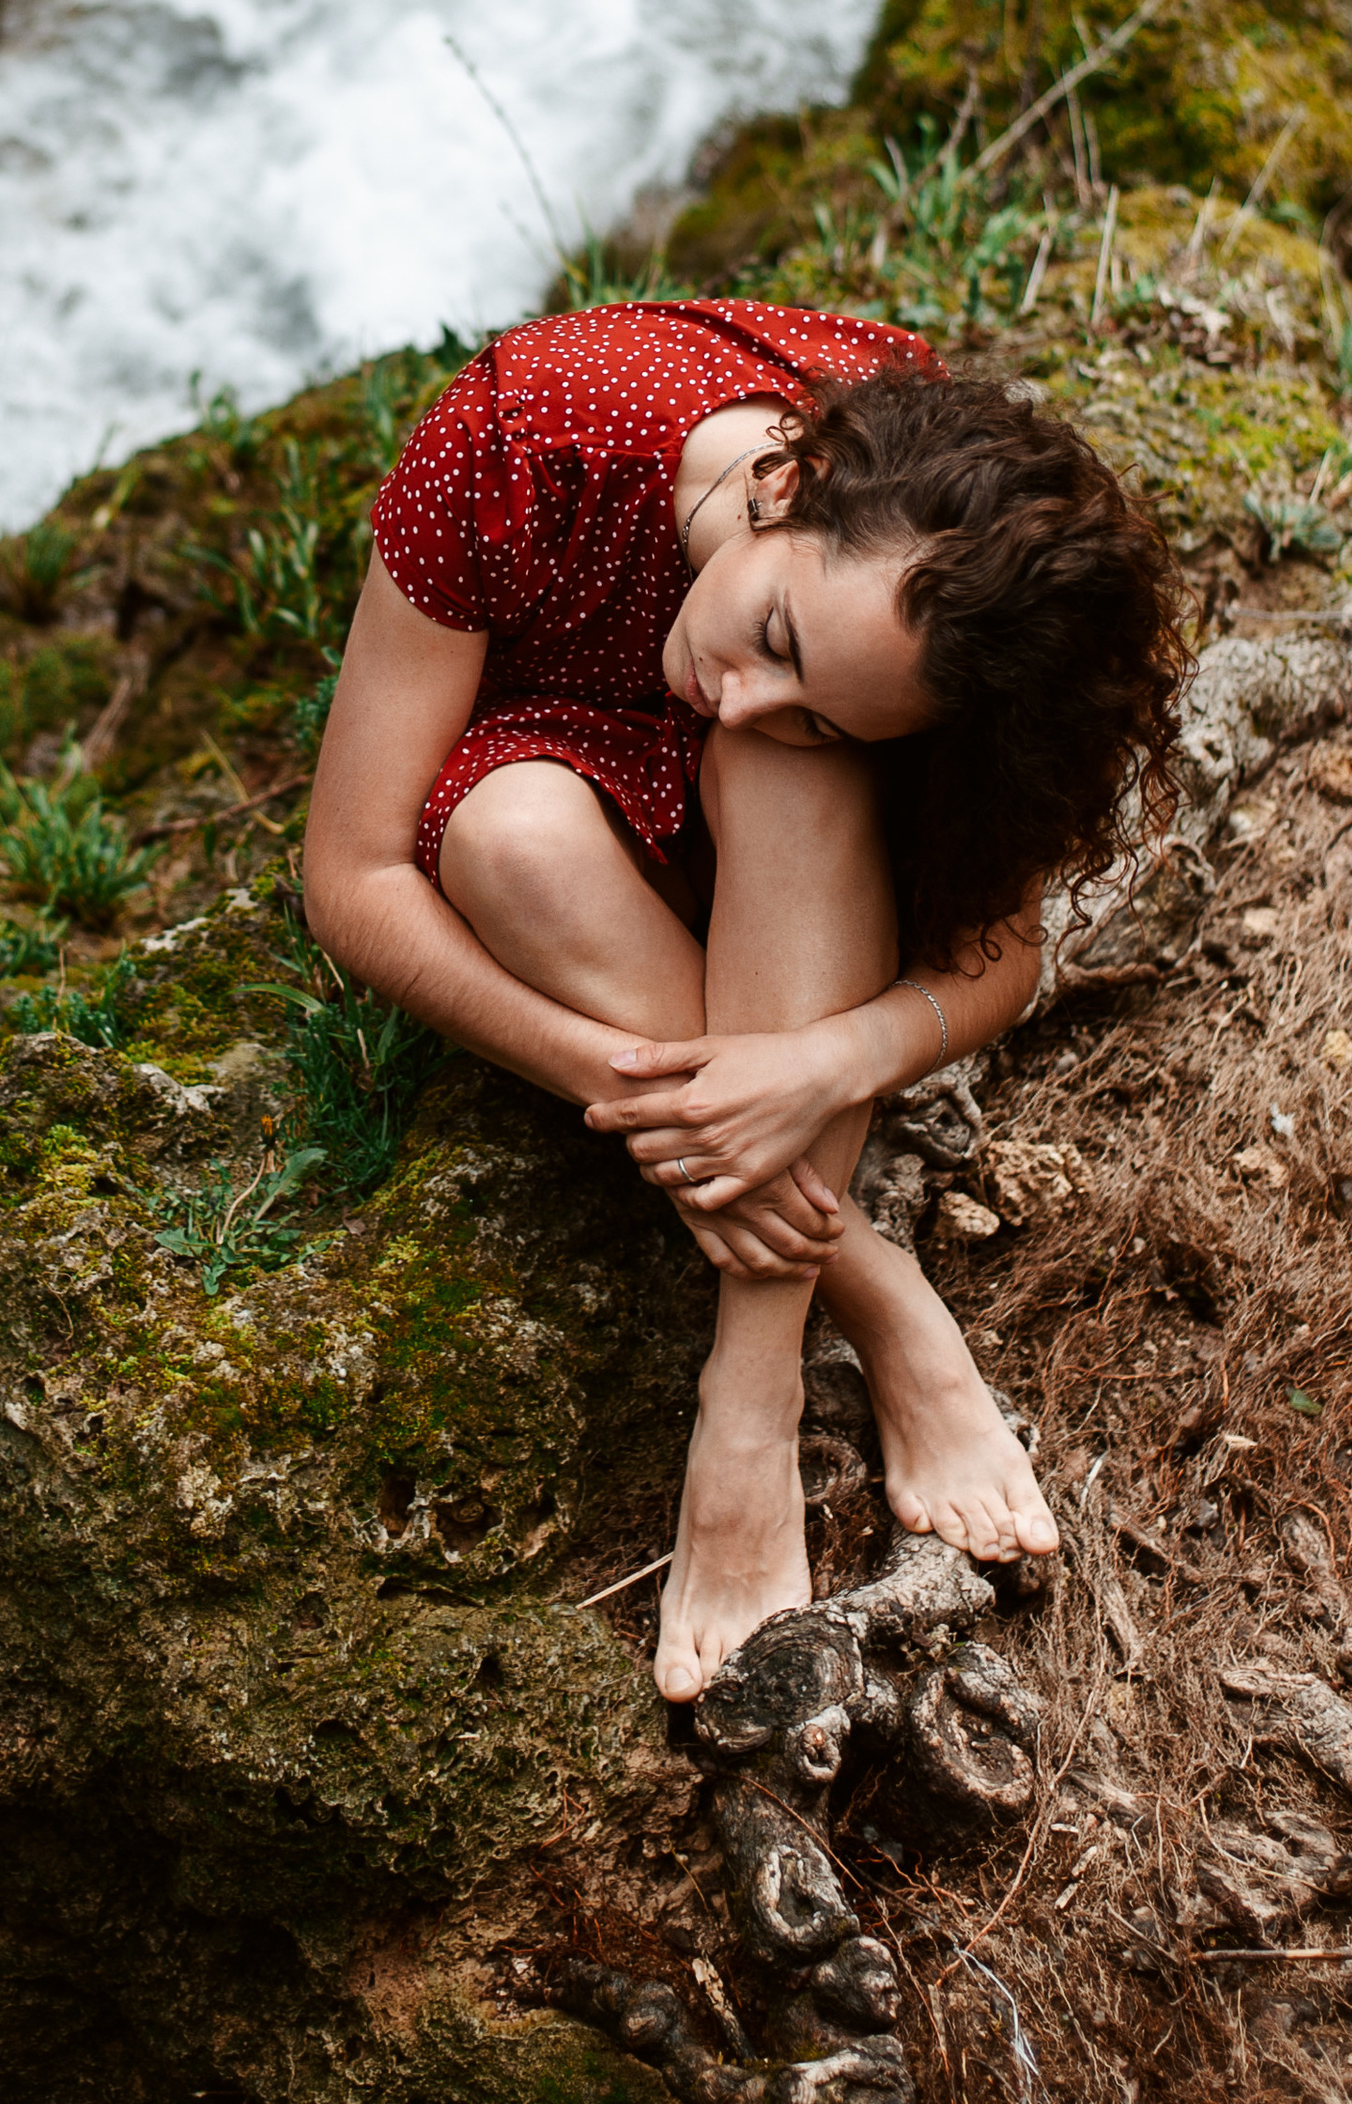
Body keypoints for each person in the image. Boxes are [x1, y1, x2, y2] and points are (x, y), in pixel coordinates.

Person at [302, 294, 1187, 1704]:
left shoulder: (956, 609)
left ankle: (750, 1395)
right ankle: (879, 1292)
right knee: (508, 837)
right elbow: (349, 878)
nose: (744, 693)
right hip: (551, 821)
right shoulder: (523, 435)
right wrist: (614, 1076)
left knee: (782, 771)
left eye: (822, 700)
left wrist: (828, 1063)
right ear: (786, 483)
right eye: (773, 629)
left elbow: (1003, 957)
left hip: (782, 881)